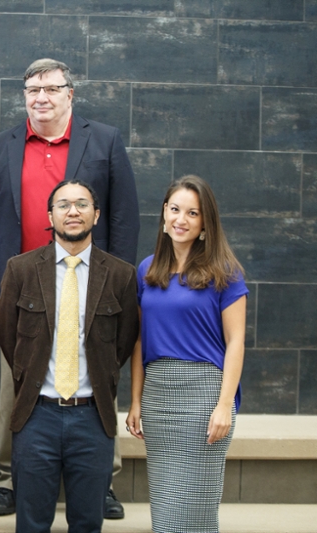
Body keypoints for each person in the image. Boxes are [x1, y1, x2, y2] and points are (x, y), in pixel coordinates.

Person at [0, 58, 139, 517]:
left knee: (99, 371)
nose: (40, 97)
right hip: (23, 286)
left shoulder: (102, 139)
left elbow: (122, 215)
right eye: (32, 90)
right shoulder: (0, 145)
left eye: (51, 88)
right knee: (16, 379)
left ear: (70, 94)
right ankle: (9, 478)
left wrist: (119, 284)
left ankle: (103, 479)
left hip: (92, 281)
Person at [0, 180, 139, 533]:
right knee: (31, 523)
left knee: (88, 523)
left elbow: (122, 343)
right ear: (50, 216)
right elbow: (8, 338)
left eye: (81, 204)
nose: (72, 211)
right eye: (63, 205)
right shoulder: (21, 269)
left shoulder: (121, 275)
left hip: (92, 418)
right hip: (36, 416)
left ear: (96, 214)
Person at [126, 175, 246, 533]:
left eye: (192, 213)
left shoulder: (225, 271)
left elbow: (236, 341)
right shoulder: (147, 270)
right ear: (164, 214)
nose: (181, 219)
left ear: (205, 221)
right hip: (159, 396)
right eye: (175, 209)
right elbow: (138, 341)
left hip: (204, 396)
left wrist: (225, 404)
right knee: (164, 510)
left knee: (196, 509)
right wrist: (135, 401)